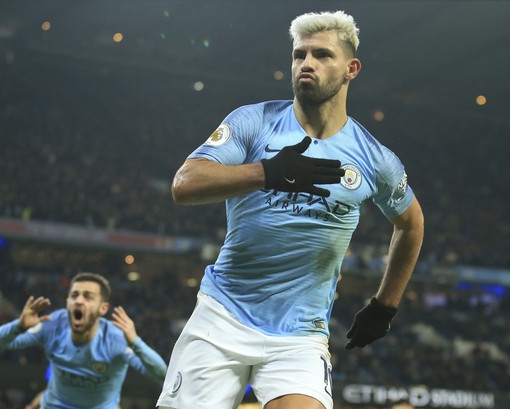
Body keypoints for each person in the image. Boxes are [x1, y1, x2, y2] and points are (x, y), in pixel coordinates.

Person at [156, 10, 424, 409]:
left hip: (300, 333)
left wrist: (385, 305)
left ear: (351, 68)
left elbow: (411, 224)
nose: (307, 64)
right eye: (299, 55)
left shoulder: (374, 159)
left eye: (321, 55)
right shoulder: (254, 121)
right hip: (222, 316)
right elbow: (185, 184)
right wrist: (267, 173)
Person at [0, 272, 167, 409]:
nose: (79, 301)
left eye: (88, 296)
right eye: (74, 295)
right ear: (67, 302)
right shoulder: (52, 326)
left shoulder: (116, 339)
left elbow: (161, 374)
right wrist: (18, 326)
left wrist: (136, 342)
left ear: (103, 308)